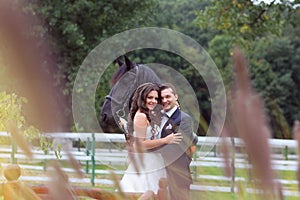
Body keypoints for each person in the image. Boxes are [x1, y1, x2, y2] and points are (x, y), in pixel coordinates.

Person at [119, 83, 182, 194]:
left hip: (155, 160)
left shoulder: (150, 114)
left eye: (156, 98)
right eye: (150, 97)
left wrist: (174, 105)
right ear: (142, 98)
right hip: (146, 163)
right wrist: (165, 140)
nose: (153, 101)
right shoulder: (141, 116)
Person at [158, 83, 198, 200]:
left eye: (168, 97)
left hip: (177, 176)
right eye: (161, 98)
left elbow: (176, 149)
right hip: (157, 175)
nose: (164, 100)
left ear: (176, 97)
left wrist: (149, 148)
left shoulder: (184, 119)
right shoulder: (156, 118)